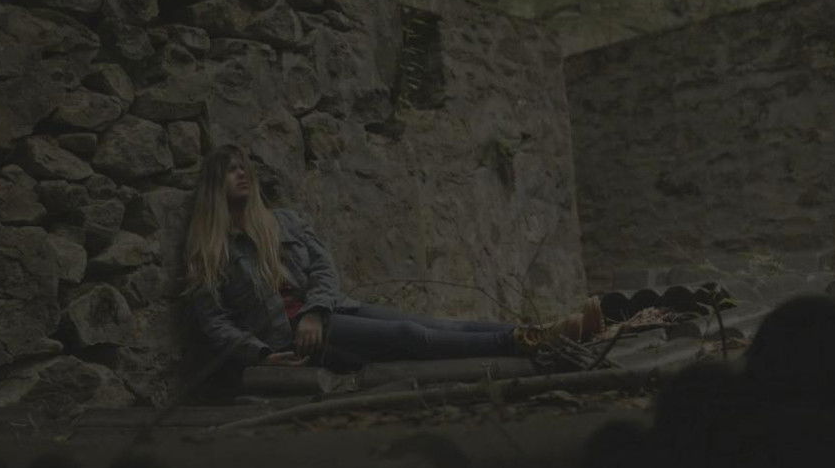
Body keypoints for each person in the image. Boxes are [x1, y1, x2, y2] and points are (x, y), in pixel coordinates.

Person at [181, 144, 604, 372]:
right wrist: (261, 355)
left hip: (329, 311)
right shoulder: (209, 251)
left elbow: (324, 269)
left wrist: (314, 311)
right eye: (231, 169)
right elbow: (215, 324)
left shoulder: (285, 221)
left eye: (244, 167)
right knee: (409, 335)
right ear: (215, 184)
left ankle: (540, 331)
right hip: (293, 338)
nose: (243, 173)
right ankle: (531, 342)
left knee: (434, 324)